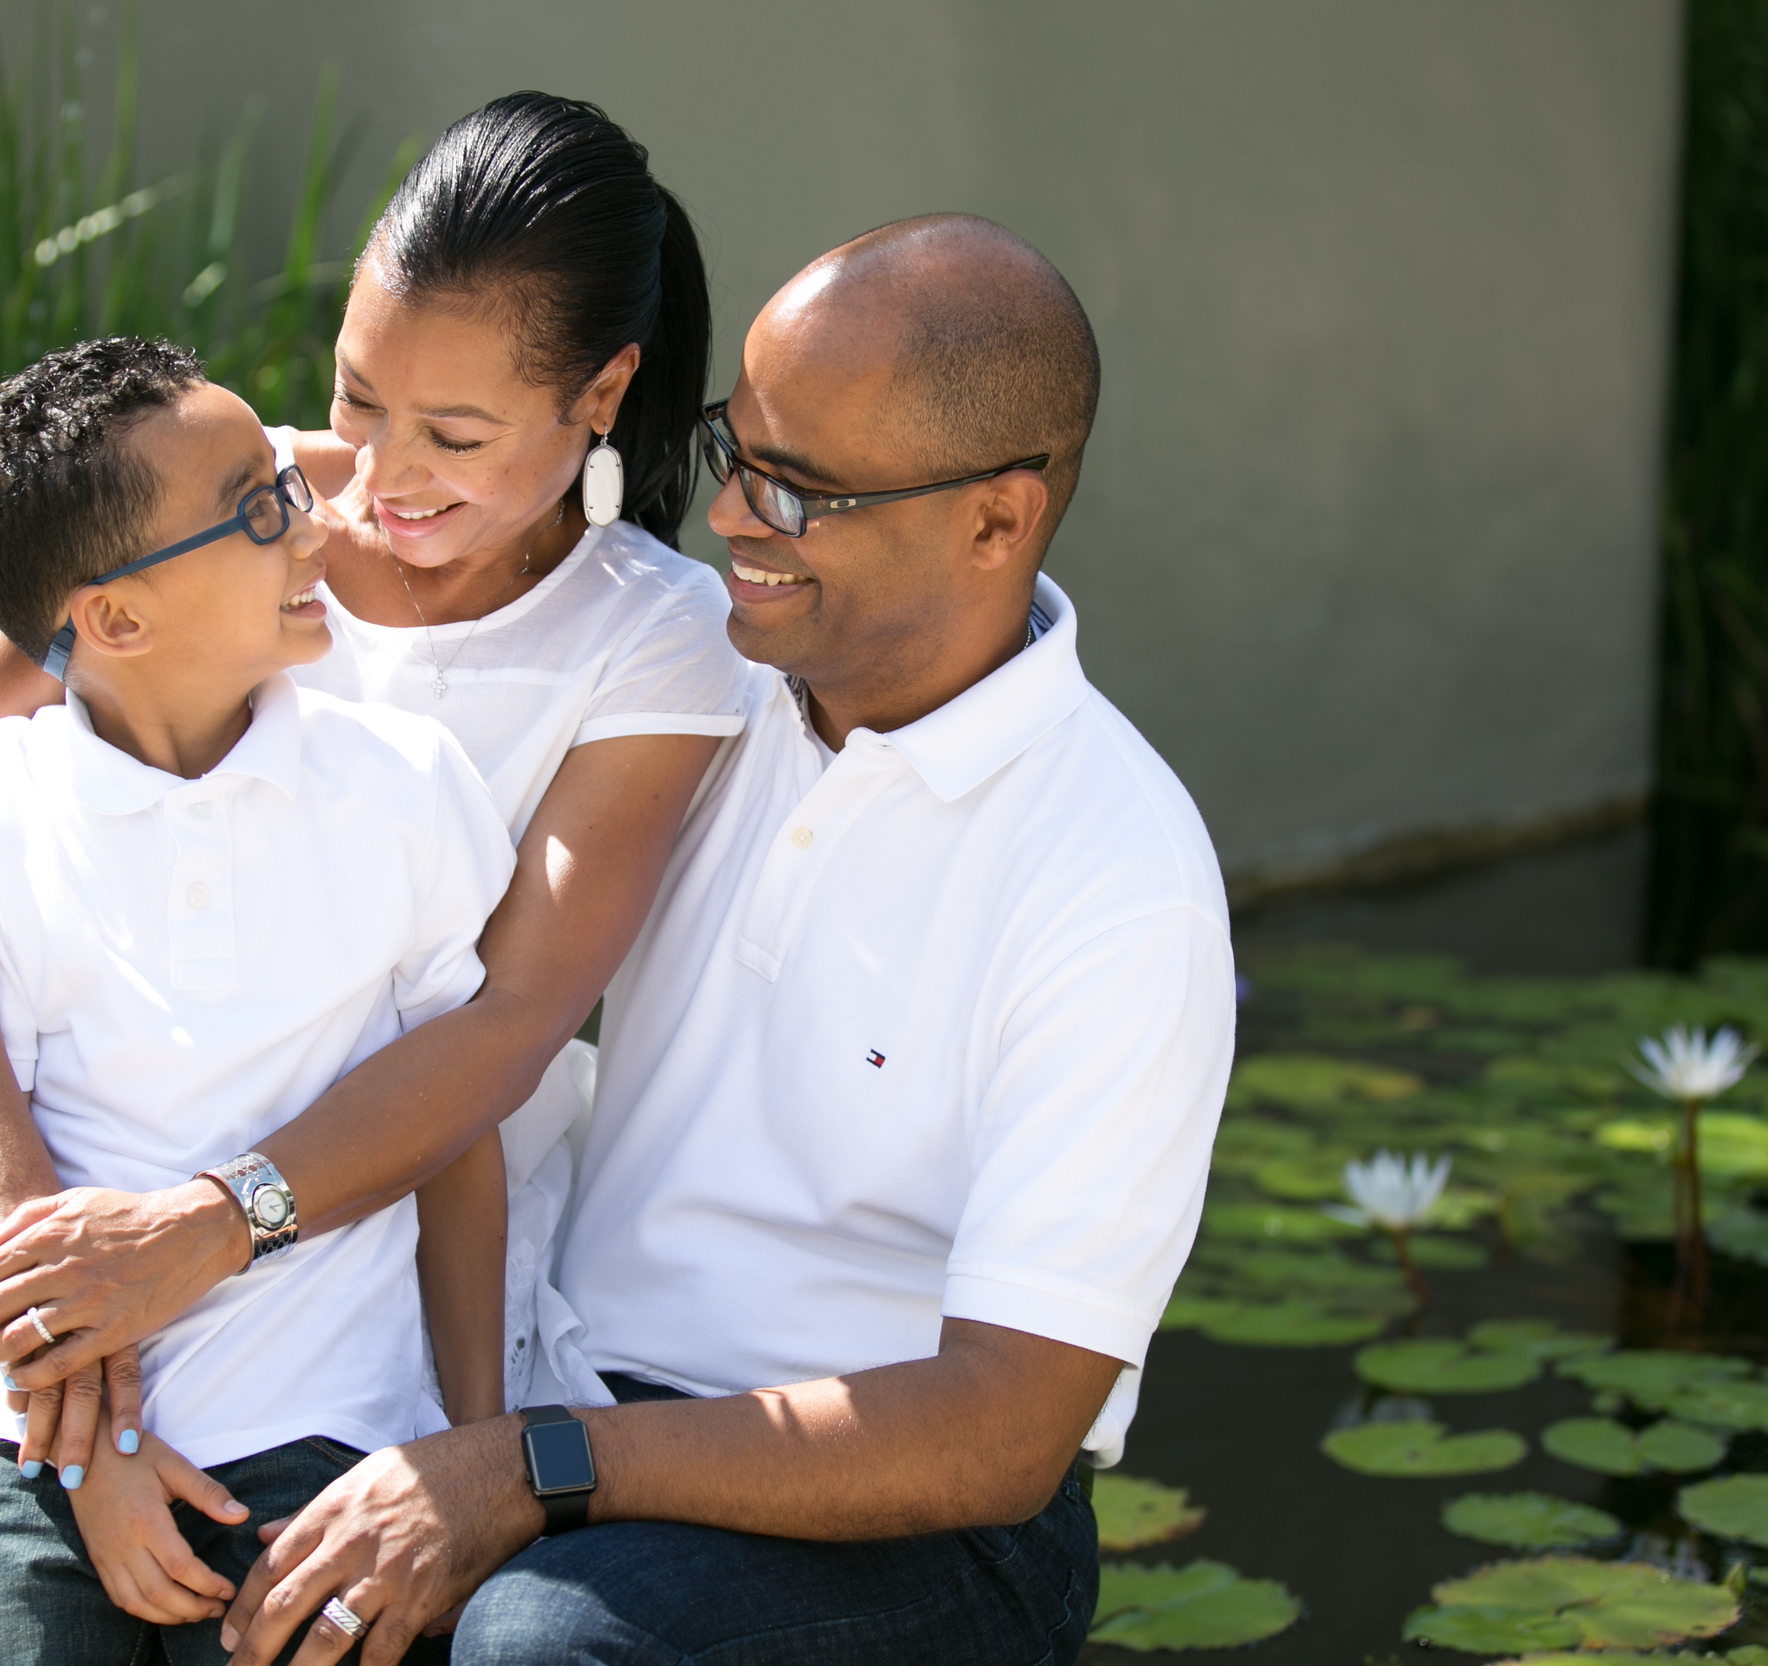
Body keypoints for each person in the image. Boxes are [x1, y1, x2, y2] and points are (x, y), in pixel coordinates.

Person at [212, 215, 1235, 1666]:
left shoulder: (1116, 875)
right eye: (738, 450)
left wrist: (528, 1467)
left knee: (537, 1649)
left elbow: (1002, 1432)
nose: (735, 516)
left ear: (997, 520)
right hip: (576, 1395)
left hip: (914, 1523)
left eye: (800, 490)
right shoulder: (689, 685)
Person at [0, 92, 745, 1660]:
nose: (374, 478)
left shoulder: (653, 637)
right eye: (356, 395)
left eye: (455, 438)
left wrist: (212, 1226)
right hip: (81, 1263)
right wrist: (22, 1247)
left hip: (375, 1289)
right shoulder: (215, 508)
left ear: (602, 395)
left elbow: (498, 1031)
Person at [0, 335, 515, 1663]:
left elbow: (454, 1134)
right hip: (38, 1434)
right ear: (113, 618)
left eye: (288, 481)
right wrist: (97, 1454)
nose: (313, 527)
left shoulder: (406, 785)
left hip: (325, 1424)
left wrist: (470, 1461)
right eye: (258, 508)